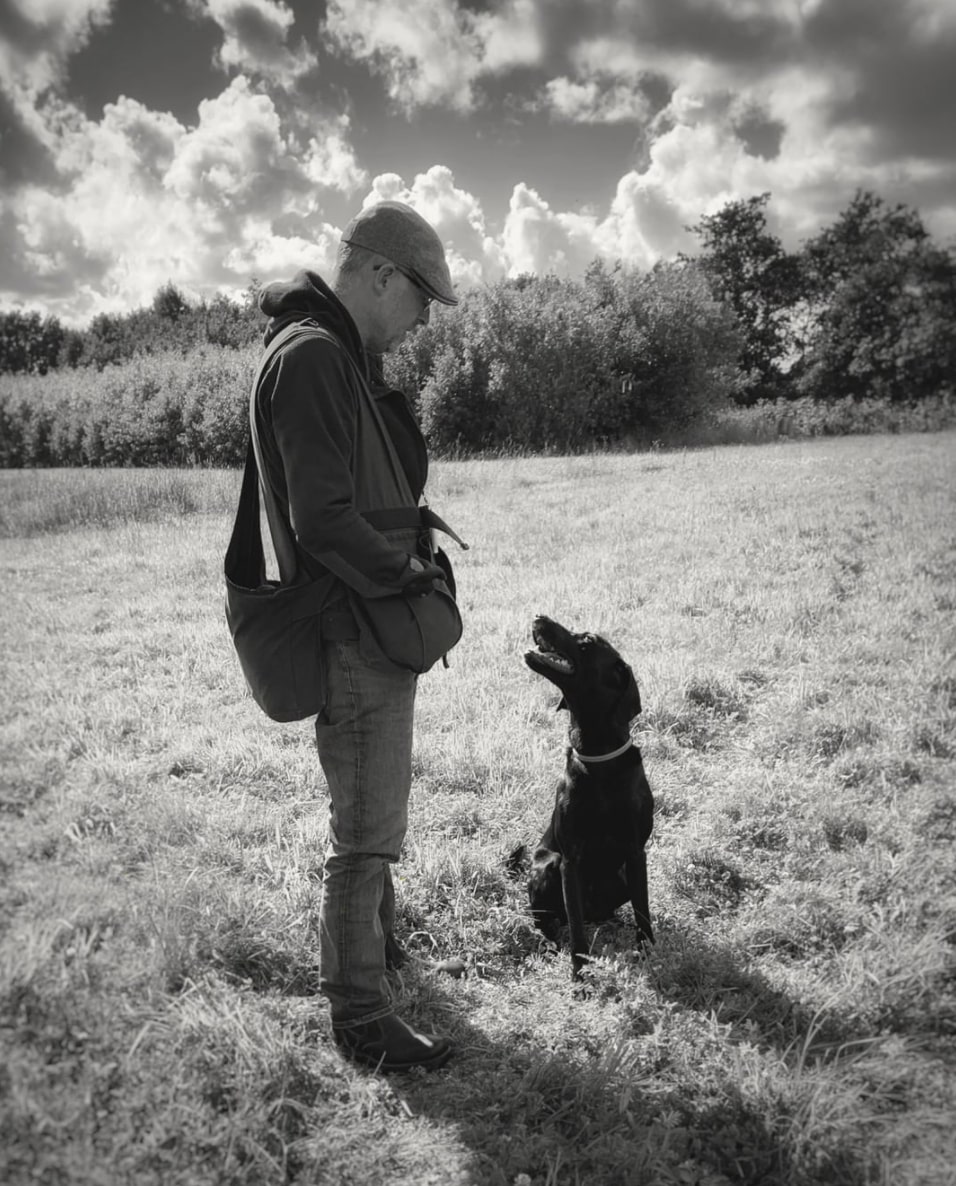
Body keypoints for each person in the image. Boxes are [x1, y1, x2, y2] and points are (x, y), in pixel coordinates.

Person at [252, 201, 459, 1072]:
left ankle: (380, 942)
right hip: (353, 628)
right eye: (418, 301)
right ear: (380, 274)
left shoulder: (334, 353)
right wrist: (409, 574)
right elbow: (323, 519)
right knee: (367, 832)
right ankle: (360, 1018)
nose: (417, 325)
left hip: (364, 619)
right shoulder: (312, 358)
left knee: (373, 813)